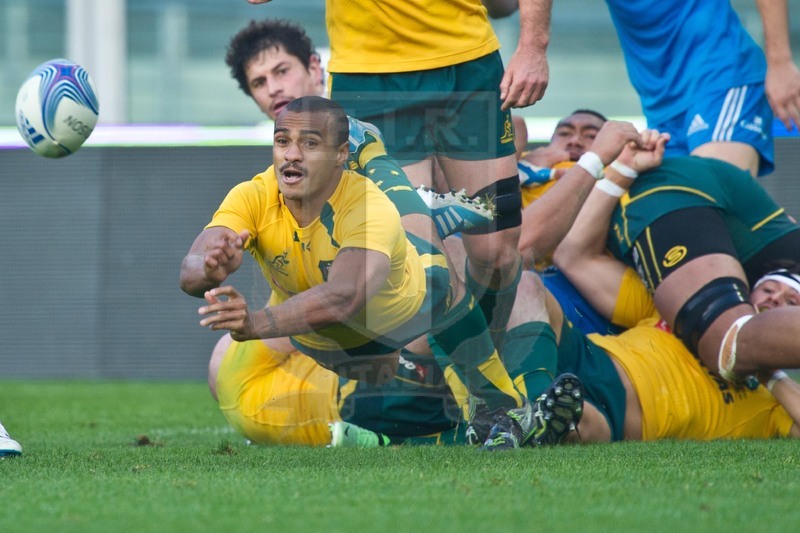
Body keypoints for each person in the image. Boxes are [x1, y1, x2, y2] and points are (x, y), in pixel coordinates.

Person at [180, 96, 536, 445]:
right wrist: (209, 266)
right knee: (379, 371)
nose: (291, 154)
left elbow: (343, 297)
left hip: (404, 312)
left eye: (310, 144)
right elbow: (191, 271)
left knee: (439, 275)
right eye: (282, 141)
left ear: (340, 154)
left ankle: (371, 152)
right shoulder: (254, 195)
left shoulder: (366, 204)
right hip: (326, 339)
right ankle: (426, 213)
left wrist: (255, 323)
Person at [249, 0, 553, 352]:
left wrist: (533, 45)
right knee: (424, 266)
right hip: (369, 79)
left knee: (496, 255)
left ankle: (480, 365)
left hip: (468, 64)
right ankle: (479, 390)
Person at [604, 0, 800, 177]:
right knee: (675, 213)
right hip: (660, 106)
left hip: (720, 77)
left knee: (712, 195)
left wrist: (779, 61)